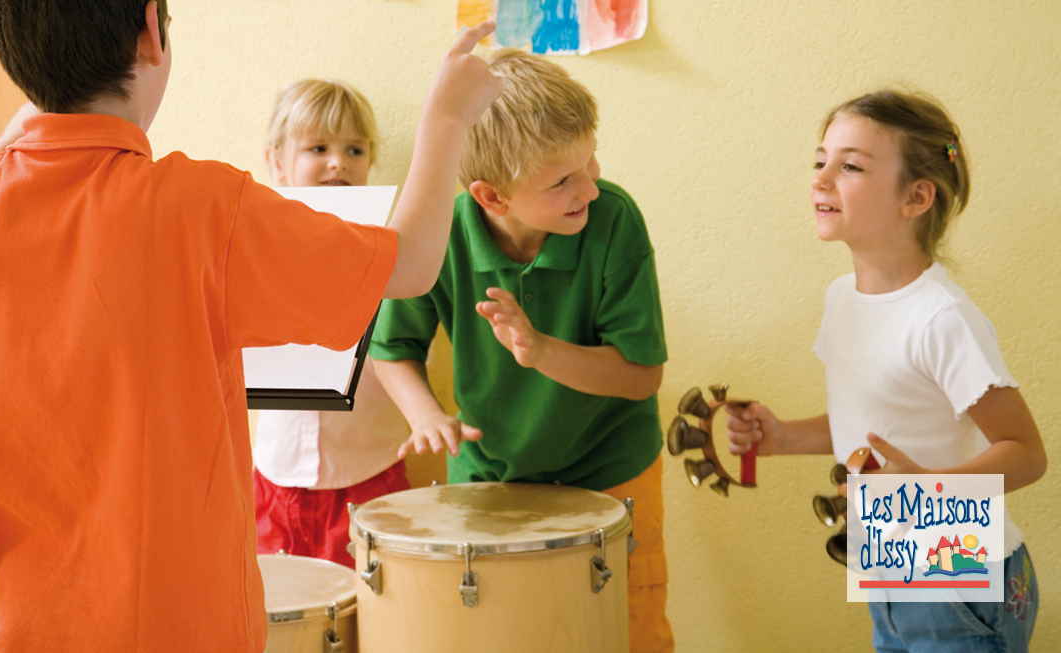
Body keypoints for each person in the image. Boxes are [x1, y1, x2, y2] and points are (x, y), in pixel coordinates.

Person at [0, 0, 502, 648]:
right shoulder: (204, 210)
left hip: (27, 627)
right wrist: (447, 116)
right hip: (181, 625)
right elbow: (411, 264)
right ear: (152, 31)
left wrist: (36, 106)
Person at [370, 49, 673, 653]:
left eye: (588, 158)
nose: (589, 184)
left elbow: (642, 377)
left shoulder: (613, 218)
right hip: (490, 480)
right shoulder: (441, 233)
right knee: (499, 636)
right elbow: (391, 346)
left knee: (625, 633)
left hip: (612, 474)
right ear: (492, 196)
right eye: (562, 180)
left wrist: (540, 351)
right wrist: (424, 414)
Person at [725, 89, 1046, 652]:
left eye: (849, 165)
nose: (821, 178)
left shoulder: (942, 319)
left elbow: (1026, 452)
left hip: (959, 579)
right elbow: (869, 421)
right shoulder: (842, 298)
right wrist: (782, 437)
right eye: (819, 160)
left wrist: (924, 490)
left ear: (916, 197)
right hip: (891, 567)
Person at [251, 78, 410, 568]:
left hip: (369, 473)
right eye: (318, 148)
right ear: (277, 160)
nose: (338, 162)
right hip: (275, 478)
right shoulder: (254, 244)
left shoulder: (391, 252)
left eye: (354, 149)